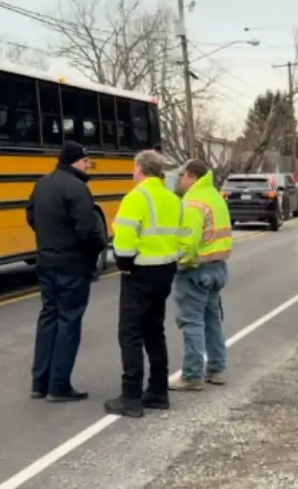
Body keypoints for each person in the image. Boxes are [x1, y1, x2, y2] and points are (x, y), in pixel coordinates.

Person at [25, 141, 108, 402]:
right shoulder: (78, 188)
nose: (88, 164)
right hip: (72, 265)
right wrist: (95, 252)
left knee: (48, 317)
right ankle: (58, 385)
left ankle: (40, 382)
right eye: (86, 160)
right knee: (68, 321)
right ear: (76, 160)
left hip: (46, 261)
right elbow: (88, 229)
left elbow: (30, 215)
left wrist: (50, 237)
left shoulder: (43, 183)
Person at [105, 149, 182, 418]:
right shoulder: (172, 199)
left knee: (130, 334)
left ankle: (131, 397)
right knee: (154, 331)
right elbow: (183, 235)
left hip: (139, 273)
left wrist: (124, 264)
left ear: (139, 169)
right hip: (165, 270)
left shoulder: (135, 197)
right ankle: (158, 391)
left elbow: (124, 238)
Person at [169, 158, 231, 392]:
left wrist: (178, 263)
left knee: (191, 321)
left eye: (182, 174)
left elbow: (189, 240)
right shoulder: (215, 197)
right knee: (212, 319)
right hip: (217, 267)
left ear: (192, 177)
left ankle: (192, 375)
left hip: (196, 269)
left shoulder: (194, 202)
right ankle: (216, 369)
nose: (180, 178)